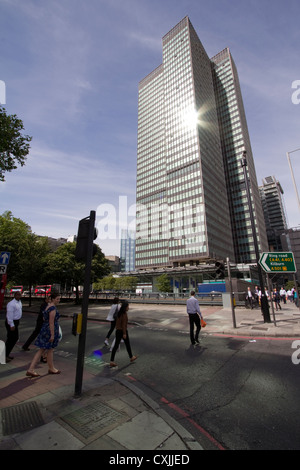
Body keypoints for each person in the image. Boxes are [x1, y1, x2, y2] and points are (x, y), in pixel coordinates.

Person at [26, 293, 61, 377]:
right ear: (52, 299)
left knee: (46, 349)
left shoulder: (47, 307)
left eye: (59, 299)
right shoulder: (52, 308)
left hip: (44, 329)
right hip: (49, 331)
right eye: (57, 299)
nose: (59, 300)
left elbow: (44, 318)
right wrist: (52, 335)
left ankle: (50, 368)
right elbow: (51, 322)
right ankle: (33, 369)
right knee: (47, 349)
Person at [110, 300, 137, 368]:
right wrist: (124, 333)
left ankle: (111, 361)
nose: (128, 307)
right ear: (125, 307)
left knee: (116, 346)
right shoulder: (124, 314)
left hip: (118, 331)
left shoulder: (119, 313)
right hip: (122, 331)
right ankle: (131, 357)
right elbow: (124, 325)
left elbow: (118, 323)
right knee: (127, 344)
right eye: (128, 306)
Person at [5, 291, 22, 361]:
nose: (18, 296)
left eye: (19, 295)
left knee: (14, 338)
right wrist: (11, 324)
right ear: (14, 295)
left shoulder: (19, 302)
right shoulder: (11, 304)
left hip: (16, 322)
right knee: (11, 339)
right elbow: (9, 315)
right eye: (17, 295)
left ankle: (6, 354)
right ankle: (4, 355)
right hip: (11, 322)